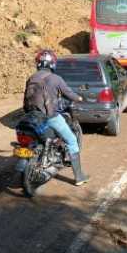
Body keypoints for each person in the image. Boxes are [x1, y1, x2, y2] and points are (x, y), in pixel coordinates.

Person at [23, 49, 90, 186]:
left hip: (31, 116)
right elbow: (69, 94)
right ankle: (79, 177)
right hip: (50, 117)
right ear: (53, 64)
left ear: (38, 64)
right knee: (71, 140)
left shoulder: (31, 78)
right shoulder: (56, 78)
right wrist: (79, 97)